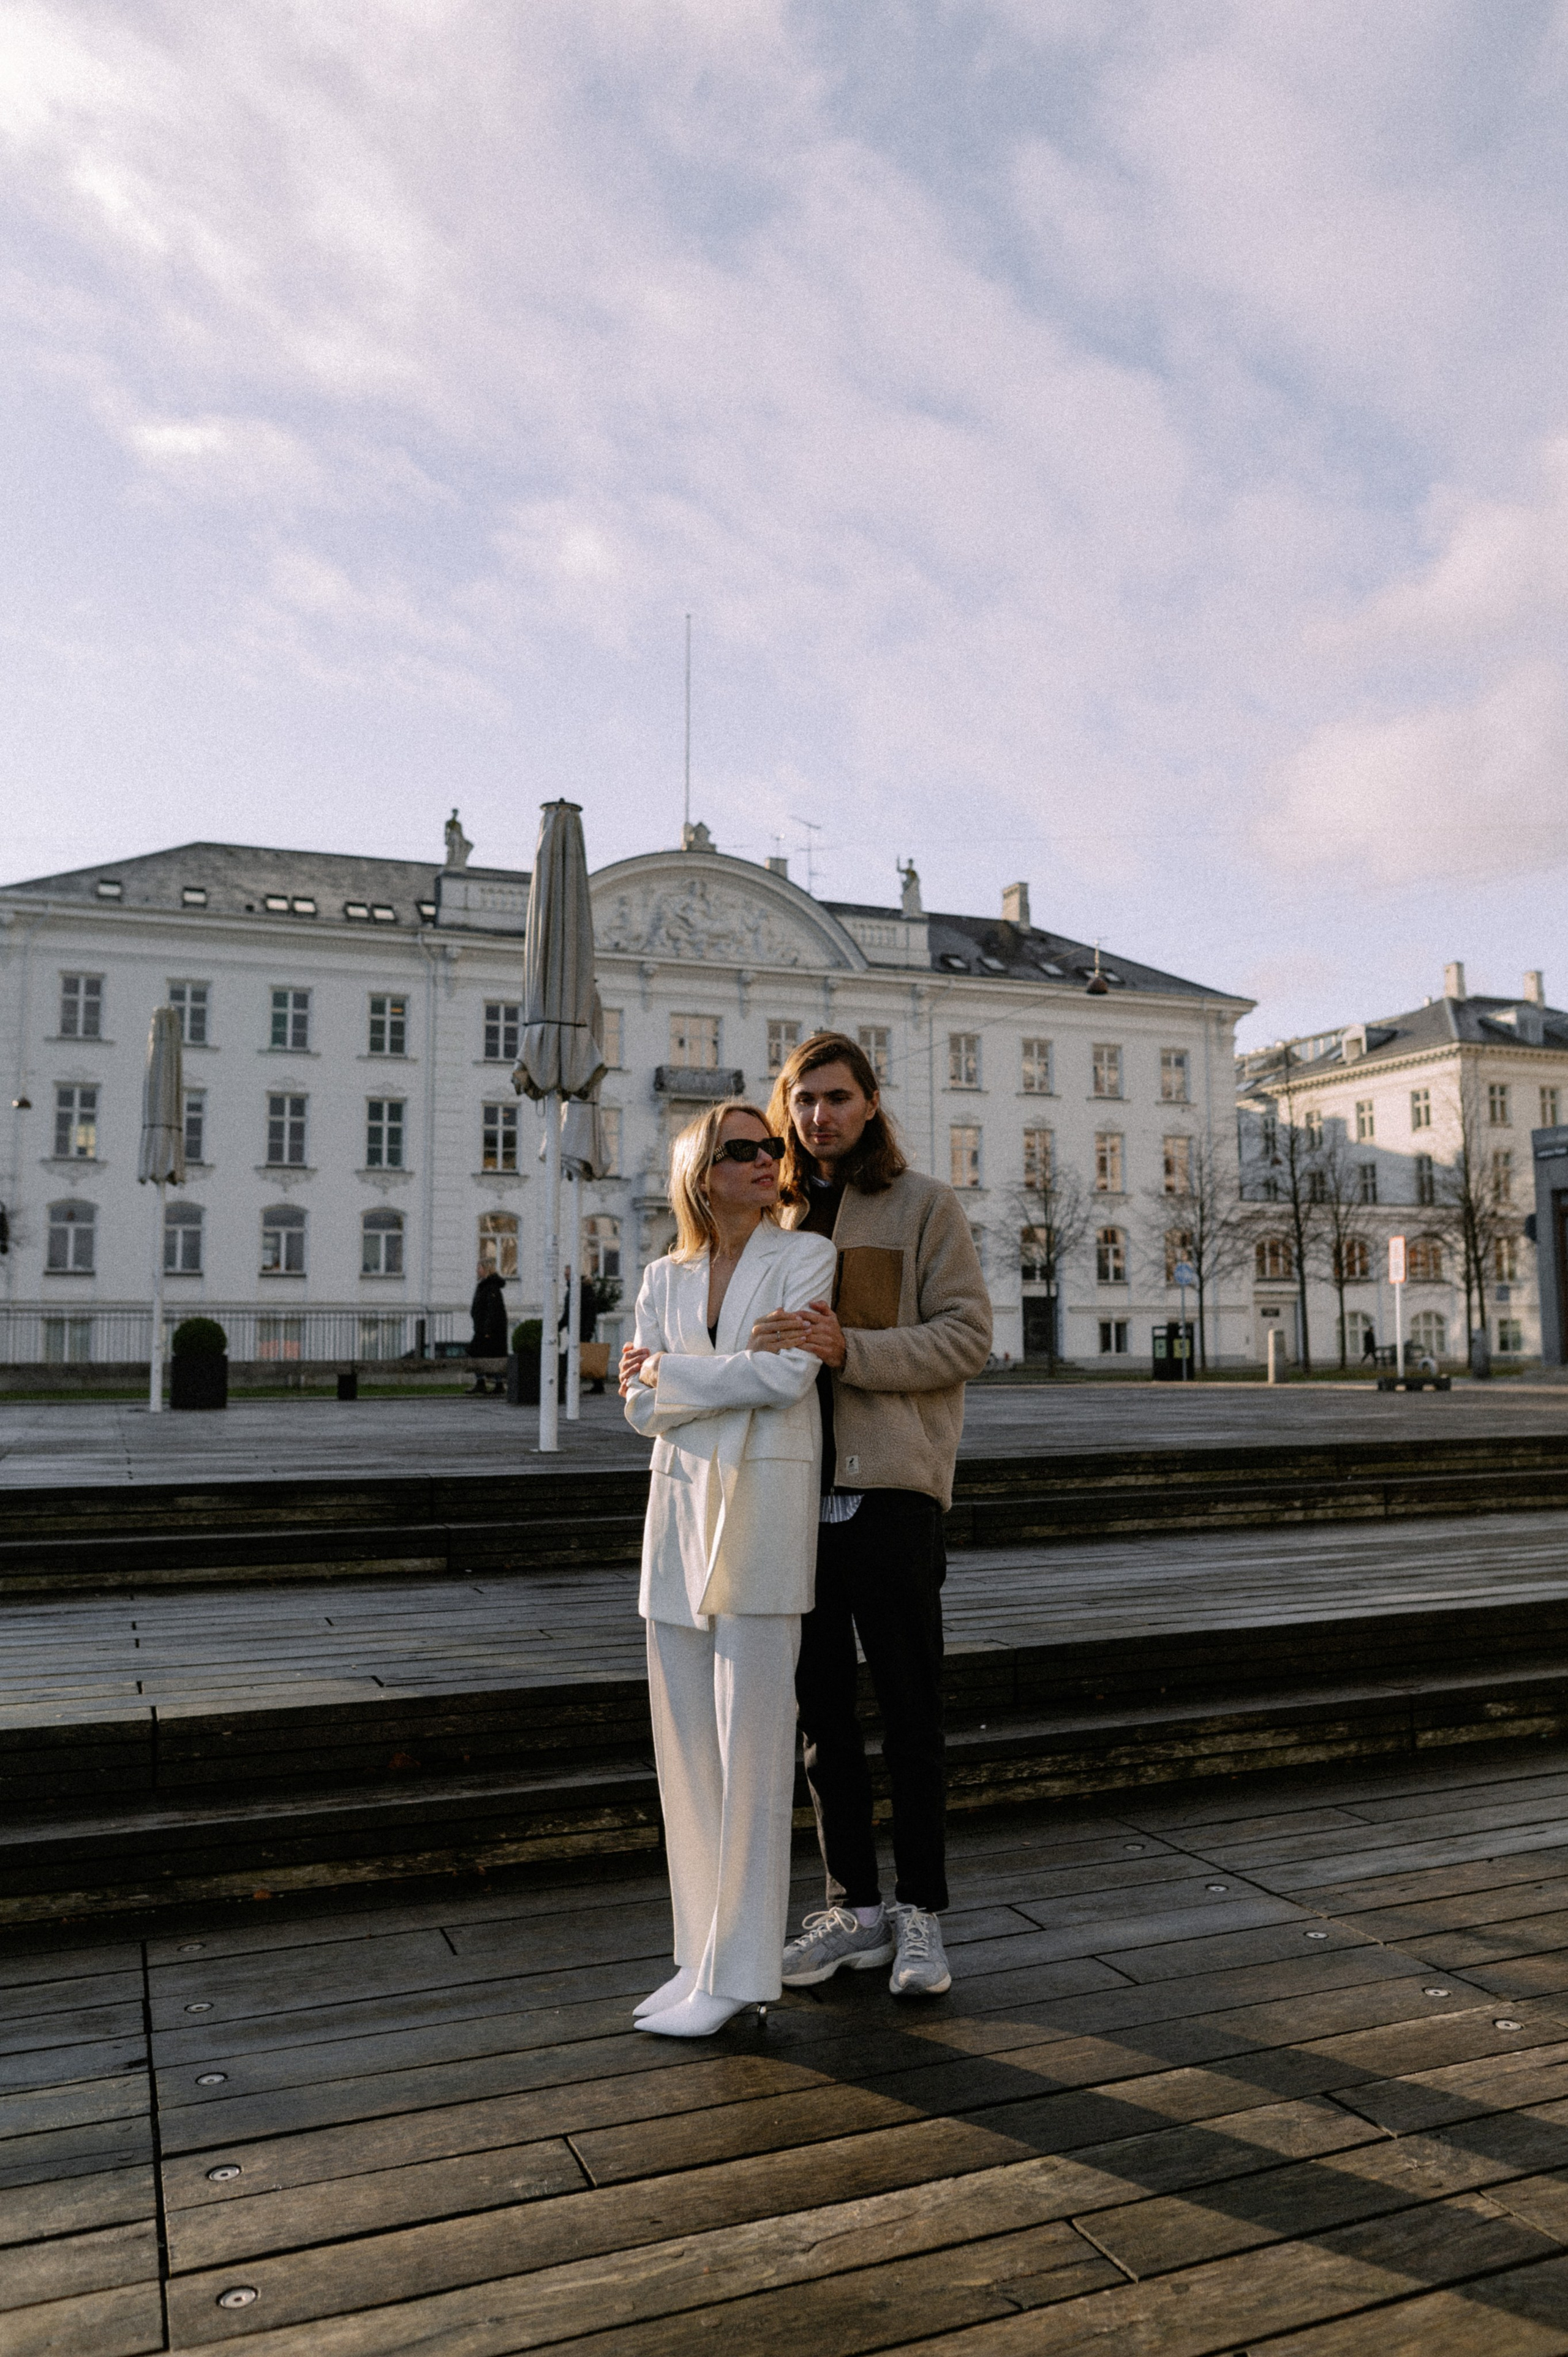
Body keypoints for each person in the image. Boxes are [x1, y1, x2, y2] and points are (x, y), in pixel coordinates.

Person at [753, 1031, 991, 1998]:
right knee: (821, 1720)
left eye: (838, 1097)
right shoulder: (769, 1215)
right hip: (788, 1494)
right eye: (804, 1099)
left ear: (871, 1104)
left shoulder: (924, 1205)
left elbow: (967, 1337)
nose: (820, 1116)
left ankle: (920, 1911)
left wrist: (854, 1350)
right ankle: (851, 1910)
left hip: (891, 1492)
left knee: (910, 1711)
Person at [620, 1099, 837, 2038]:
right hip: (677, 1519)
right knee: (685, 1754)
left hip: (761, 1512)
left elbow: (786, 1379)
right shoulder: (661, 1275)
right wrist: (689, 1377)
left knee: (751, 1751)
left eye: (771, 1147)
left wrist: (668, 1373)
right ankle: (698, 1957)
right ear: (700, 1170)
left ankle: (742, 1973)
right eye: (743, 1149)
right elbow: (637, 1410)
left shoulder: (806, 1257)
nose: (766, 1159)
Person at [467, 1260, 508, 1395]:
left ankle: (493, 1383)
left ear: (486, 1269)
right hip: (482, 1328)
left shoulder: (491, 1287)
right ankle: (488, 1383)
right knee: (487, 1354)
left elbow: (493, 1310)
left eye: (479, 1268)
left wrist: (488, 1330)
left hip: (490, 1331)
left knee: (483, 1353)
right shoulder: (484, 1285)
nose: (477, 1270)